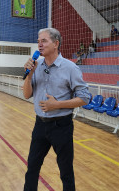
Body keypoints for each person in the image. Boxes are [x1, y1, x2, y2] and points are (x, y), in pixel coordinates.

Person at [23, 28, 90, 191]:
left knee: (66, 172)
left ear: (56, 44)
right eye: (38, 41)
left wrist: (57, 104)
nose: (40, 44)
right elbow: (26, 95)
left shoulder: (70, 68)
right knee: (32, 168)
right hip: (40, 125)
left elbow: (85, 97)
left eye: (44, 41)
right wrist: (29, 75)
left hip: (61, 126)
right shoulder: (36, 66)